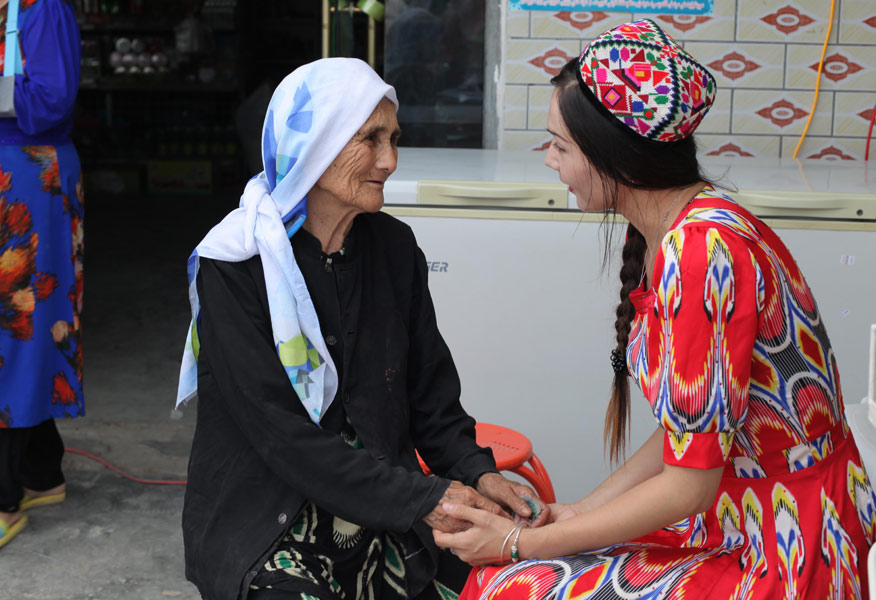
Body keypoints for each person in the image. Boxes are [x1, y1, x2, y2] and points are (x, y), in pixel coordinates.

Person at [433, 19, 876, 599]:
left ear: (612, 155)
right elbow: (692, 434)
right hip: (747, 513)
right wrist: (580, 512)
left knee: (510, 582)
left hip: (789, 544)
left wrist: (520, 544)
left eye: (560, 146)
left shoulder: (701, 255)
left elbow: (689, 486)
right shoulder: (689, 227)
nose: (549, 161)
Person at [176, 57, 548, 600]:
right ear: (315, 145)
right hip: (272, 522)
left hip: (388, 516)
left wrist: (479, 473)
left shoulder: (393, 249)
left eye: (393, 139)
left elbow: (432, 401)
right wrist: (425, 499)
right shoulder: (236, 266)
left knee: (518, 582)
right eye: (370, 139)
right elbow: (280, 435)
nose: (389, 160)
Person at [0, 0, 83, 553]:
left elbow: (49, 103)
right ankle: (40, 472)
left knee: (4, 329)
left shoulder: (42, 10)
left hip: (23, 183)